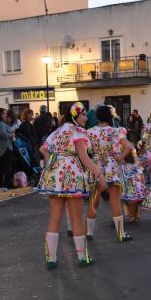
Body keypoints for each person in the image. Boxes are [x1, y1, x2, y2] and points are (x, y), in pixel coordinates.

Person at [37, 102, 106, 269]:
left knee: (54, 218)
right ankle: (82, 257)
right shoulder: (77, 132)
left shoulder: (57, 131)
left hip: (55, 177)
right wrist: (99, 174)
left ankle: (50, 259)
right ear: (75, 116)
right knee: (76, 218)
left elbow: (43, 149)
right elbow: (84, 157)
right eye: (82, 115)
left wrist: (53, 162)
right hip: (72, 177)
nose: (85, 118)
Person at [86, 105, 135, 242]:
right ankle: (121, 233)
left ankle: (88, 233)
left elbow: (85, 150)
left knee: (93, 201)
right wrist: (119, 158)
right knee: (115, 200)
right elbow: (129, 147)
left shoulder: (90, 132)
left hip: (95, 165)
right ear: (110, 116)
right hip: (111, 166)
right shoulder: (114, 131)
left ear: (97, 117)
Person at [0, 109, 15, 189]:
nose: (6, 115)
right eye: (4, 113)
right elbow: (4, 135)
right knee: (6, 167)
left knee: (1, 167)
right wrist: (11, 135)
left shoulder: (1, 123)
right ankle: (6, 183)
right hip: (4, 148)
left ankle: (1, 183)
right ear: (0, 115)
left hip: (2, 148)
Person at [120, 152, 147, 222]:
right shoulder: (136, 166)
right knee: (134, 202)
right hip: (135, 186)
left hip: (127, 186)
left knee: (129, 201)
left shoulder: (123, 166)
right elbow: (141, 177)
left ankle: (131, 216)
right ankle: (133, 216)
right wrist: (143, 186)